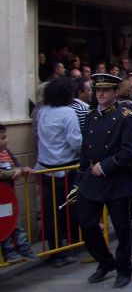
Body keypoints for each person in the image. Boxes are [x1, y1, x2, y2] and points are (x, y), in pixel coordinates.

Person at [76, 73, 132, 288]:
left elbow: (131, 150)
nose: (100, 93)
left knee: (122, 229)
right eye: (97, 90)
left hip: (116, 179)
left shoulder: (126, 116)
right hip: (92, 179)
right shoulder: (92, 115)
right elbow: (86, 150)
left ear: (115, 92)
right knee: (85, 222)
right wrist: (80, 178)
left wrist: (105, 166)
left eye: (106, 90)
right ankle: (105, 261)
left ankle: (124, 268)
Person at [35, 78, 83, 268]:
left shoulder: (42, 112)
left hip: (45, 169)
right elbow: (75, 141)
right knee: (70, 208)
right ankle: (69, 246)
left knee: (51, 213)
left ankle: (56, 251)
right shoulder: (68, 112)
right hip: (65, 169)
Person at [0, 124, 38, 263]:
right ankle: (10, 252)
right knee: (5, 225)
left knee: (15, 223)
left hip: (9, 196)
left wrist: (22, 169)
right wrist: (14, 172)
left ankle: (24, 249)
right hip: (2, 197)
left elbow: (17, 166)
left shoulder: (7, 152)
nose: (6, 140)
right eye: (3, 138)